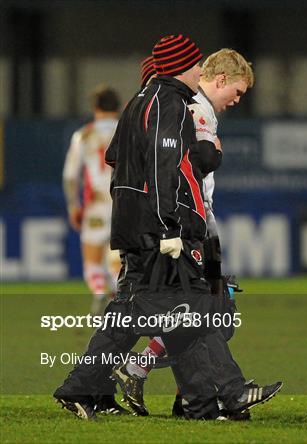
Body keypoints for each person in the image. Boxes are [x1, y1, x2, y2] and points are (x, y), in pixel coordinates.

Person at [53, 34, 282, 421]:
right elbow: (173, 170)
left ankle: (197, 400)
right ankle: (217, 395)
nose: (200, 71)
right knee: (200, 308)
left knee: (182, 309)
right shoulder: (184, 106)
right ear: (216, 78)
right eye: (196, 66)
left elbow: (121, 160)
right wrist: (169, 225)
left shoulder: (147, 104)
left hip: (177, 225)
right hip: (183, 227)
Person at [112, 48, 255, 418]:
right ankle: (197, 394)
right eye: (236, 92)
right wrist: (214, 153)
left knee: (206, 309)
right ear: (220, 80)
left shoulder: (185, 105)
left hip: (200, 226)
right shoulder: (197, 108)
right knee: (206, 309)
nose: (236, 102)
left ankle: (186, 393)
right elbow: (197, 162)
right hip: (195, 228)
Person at [62, 85, 122, 316]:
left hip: (96, 203)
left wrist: (73, 205)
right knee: (120, 262)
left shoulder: (83, 135)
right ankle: (120, 297)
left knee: (93, 263)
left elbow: (70, 177)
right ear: (117, 107)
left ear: (95, 107)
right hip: (123, 202)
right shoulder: (128, 130)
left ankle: (99, 291)